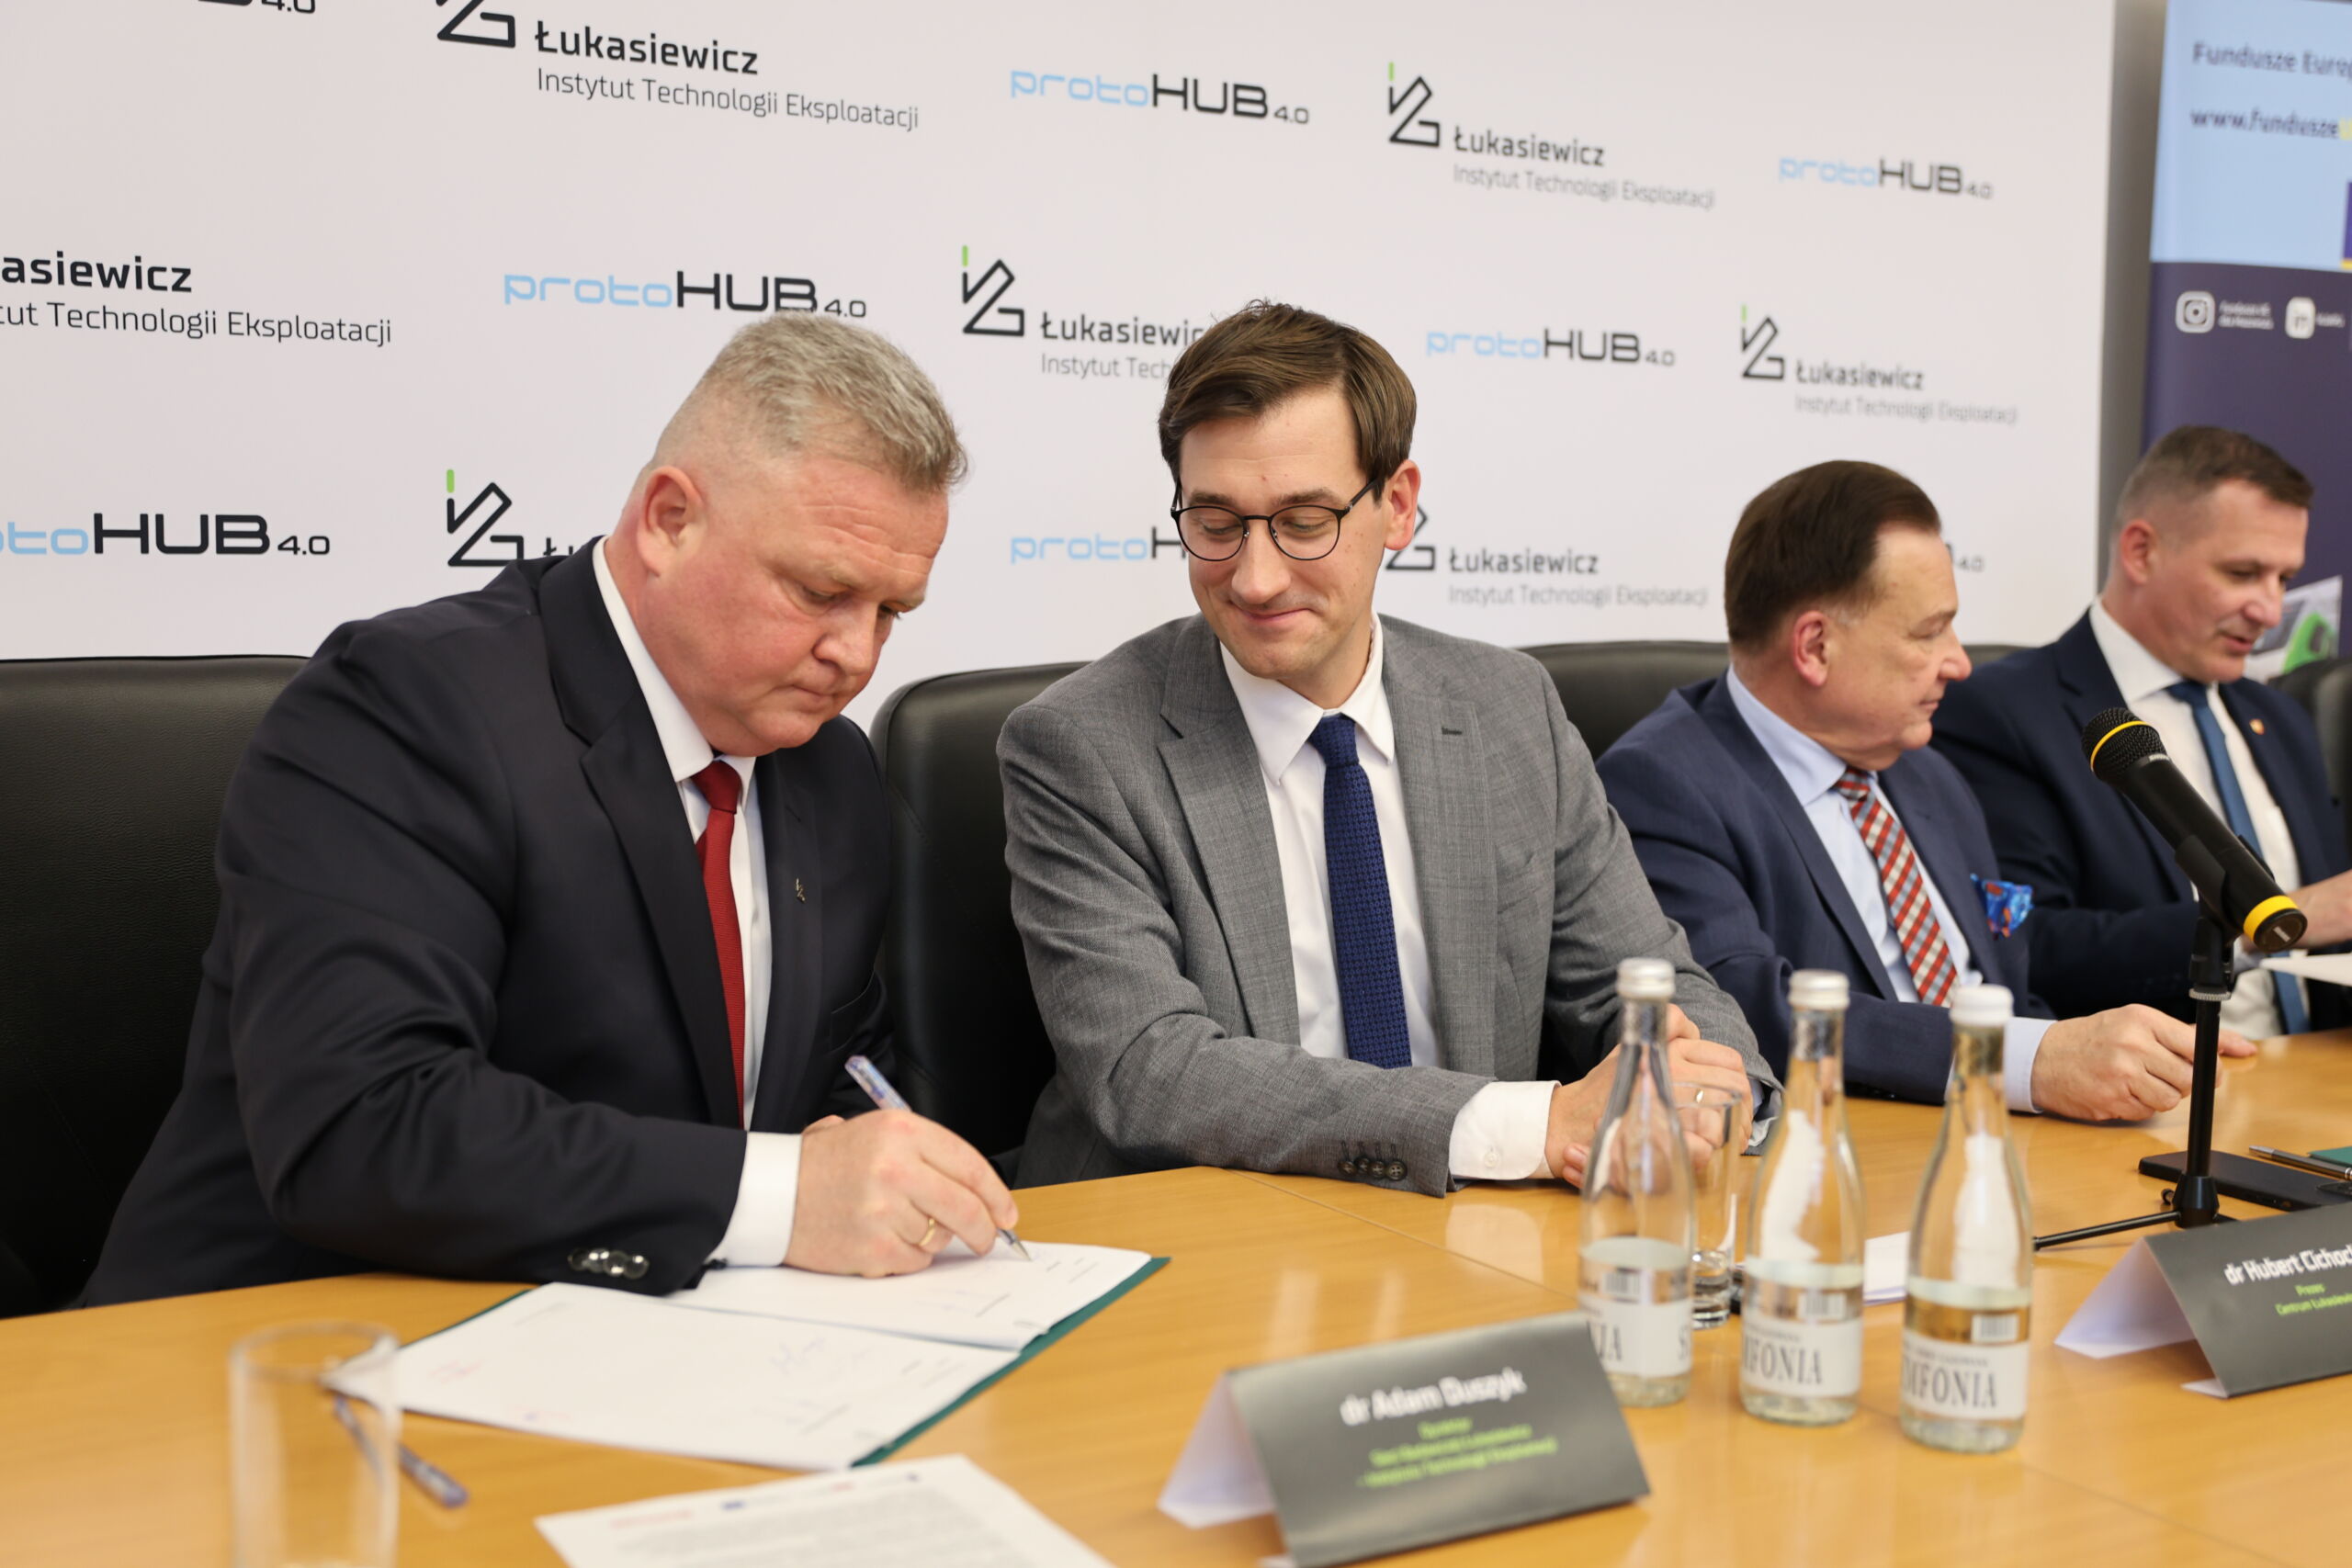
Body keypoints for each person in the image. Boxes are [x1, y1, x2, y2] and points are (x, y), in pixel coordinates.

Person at [85, 315, 1017, 1305]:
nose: (857, 655)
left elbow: (836, 1083)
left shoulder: (830, 769)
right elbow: (363, 1125)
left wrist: (874, 1169)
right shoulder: (405, 706)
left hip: (657, 1337)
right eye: (821, 591)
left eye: (890, 611)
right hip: (277, 1340)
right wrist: (783, 1195)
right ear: (669, 520)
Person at [999, 301, 1776, 1196]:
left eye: (1304, 521)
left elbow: (1655, 985)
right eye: (1215, 523)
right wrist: (1527, 1126)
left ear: (1397, 506)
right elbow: (1151, 1069)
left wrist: (1698, 1092)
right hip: (1201, 1227)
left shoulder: (1507, 710)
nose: (1255, 578)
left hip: (1473, 1227)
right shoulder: (1081, 747)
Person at [1599, 461, 2251, 1120]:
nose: (1959, 662)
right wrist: (2023, 1061)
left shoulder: (1927, 772)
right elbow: (1738, 1007)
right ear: (1815, 646)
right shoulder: (1663, 784)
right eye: (1928, 632)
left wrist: (2119, 1058)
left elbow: (2006, 989)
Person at [1934, 426, 2351, 1032]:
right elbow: (2028, 946)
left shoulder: (2284, 717)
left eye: (2283, 579)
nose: (2268, 610)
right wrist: (2275, 919)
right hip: (2159, 1076)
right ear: (2141, 552)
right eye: (2242, 573)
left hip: (2317, 1072)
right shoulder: (2003, 714)